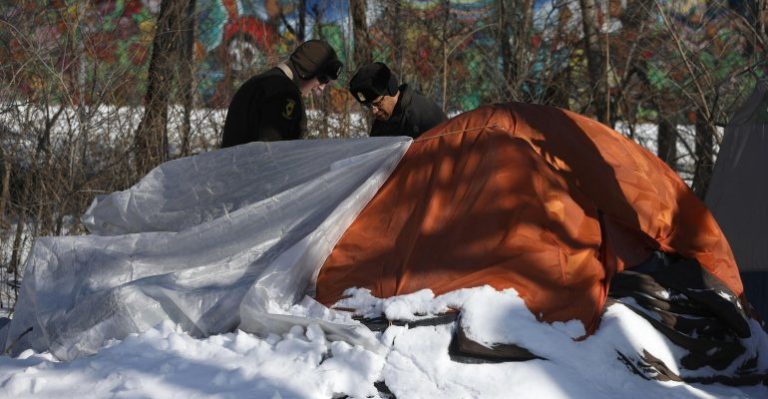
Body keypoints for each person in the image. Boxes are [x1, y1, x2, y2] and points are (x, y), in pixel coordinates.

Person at [221, 39, 342, 147]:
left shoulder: (255, 83)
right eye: (322, 79)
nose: (321, 88)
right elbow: (274, 152)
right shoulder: (286, 94)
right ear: (307, 70)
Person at [349, 62, 447, 139]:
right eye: (368, 106)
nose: (374, 111)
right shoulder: (382, 123)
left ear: (392, 90)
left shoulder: (423, 116)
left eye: (378, 103)